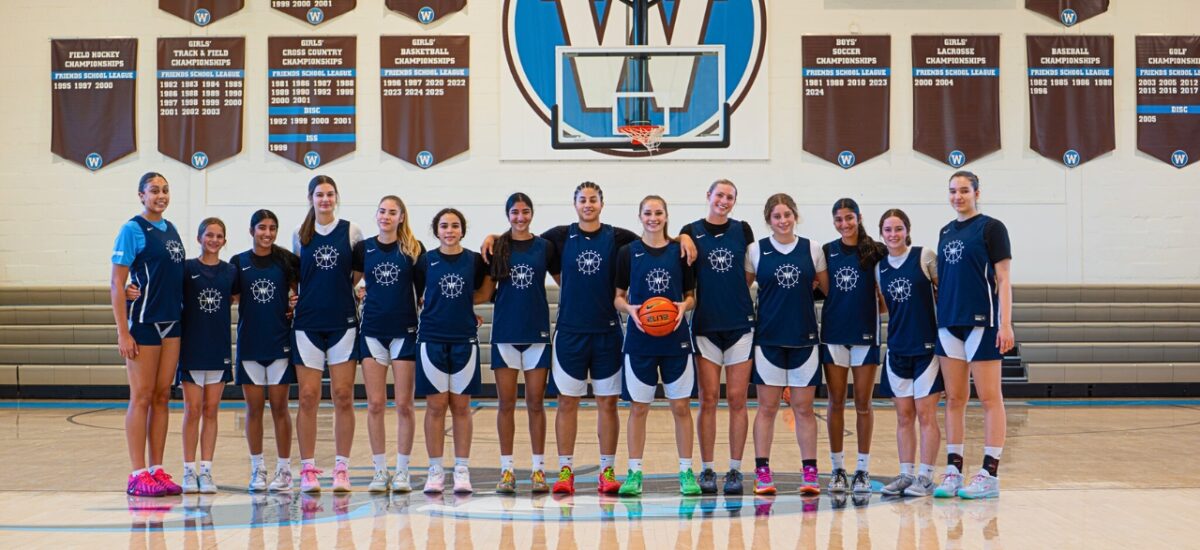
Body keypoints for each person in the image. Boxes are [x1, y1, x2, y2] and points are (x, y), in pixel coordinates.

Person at [480, 183, 695, 495]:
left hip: (607, 331)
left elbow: (656, 241)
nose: (589, 205)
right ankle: (565, 470)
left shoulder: (619, 238)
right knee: (567, 402)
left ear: (602, 204)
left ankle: (607, 470)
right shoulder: (557, 237)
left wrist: (682, 237)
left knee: (607, 403)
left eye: (594, 200)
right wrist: (493, 238)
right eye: (583, 200)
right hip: (570, 332)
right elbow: (521, 237)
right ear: (575, 204)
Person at [933, 171, 1013, 500]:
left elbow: (1004, 279)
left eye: (964, 190)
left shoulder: (992, 228)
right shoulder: (945, 231)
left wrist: (1005, 324)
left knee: (989, 398)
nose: (958, 196)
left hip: (982, 322)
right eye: (953, 191)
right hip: (948, 323)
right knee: (954, 399)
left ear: (977, 192)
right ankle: (954, 469)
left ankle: (989, 473)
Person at [613, 196, 699, 496]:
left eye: (658, 212)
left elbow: (692, 296)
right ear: (640, 216)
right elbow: (618, 296)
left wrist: (682, 306)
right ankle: (634, 473)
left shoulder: (680, 251)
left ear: (666, 215)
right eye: (648, 213)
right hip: (640, 339)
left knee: (681, 407)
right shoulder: (628, 252)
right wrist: (631, 309)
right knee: (638, 408)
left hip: (676, 339)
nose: (653, 218)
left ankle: (687, 471)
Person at [111, 172, 186, 497]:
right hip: (143, 324)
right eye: (154, 190)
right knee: (141, 397)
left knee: (162, 397)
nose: (161, 195)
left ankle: (156, 469)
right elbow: (117, 282)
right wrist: (123, 332)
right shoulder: (132, 230)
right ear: (141, 195)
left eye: (165, 190)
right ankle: (137, 473)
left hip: (172, 322)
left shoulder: (171, 229)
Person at [748, 193, 829, 495]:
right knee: (767, 408)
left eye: (787, 215)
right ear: (768, 219)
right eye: (776, 216)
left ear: (795, 215)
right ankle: (762, 471)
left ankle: (809, 471)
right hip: (768, 339)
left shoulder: (813, 249)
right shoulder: (755, 250)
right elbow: (741, 289)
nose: (783, 221)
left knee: (804, 409)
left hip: (804, 338)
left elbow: (826, 288)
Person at [682, 179, 756, 495]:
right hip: (705, 326)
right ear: (708, 196)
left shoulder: (744, 230)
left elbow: (750, 273)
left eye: (730, 197)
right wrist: (682, 237)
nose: (724, 200)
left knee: (738, 400)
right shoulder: (690, 229)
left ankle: (736, 470)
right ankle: (708, 469)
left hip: (740, 324)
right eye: (719, 195)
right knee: (708, 400)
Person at [291, 175, 364, 493]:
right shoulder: (299, 234)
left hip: (343, 322)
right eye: (319, 194)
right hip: (307, 323)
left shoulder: (352, 231)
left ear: (337, 198)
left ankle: (341, 468)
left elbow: (358, 273)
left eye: (330, 194)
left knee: (343, 396)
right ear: (310, 198)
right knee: (308, 397)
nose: (325, 199)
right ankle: (307, 469)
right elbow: (297, 278)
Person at [478, 193, 555, 494]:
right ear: (507, 214)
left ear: (532, 214)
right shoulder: (497, 246)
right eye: (514, 212)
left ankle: (538, 470)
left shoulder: (545, 247)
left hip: (536, 333)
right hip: (505, 334)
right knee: (505, 404)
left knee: (536, 404)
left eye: (525, 211)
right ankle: (507, 470)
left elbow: (567, 281)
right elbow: (485, 293)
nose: (520, 217)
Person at [415, 208, 491, 494]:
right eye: (444, 226)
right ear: (436, 231)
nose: (449, 230)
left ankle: (461, 469)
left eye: (455, 226)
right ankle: (435, 470)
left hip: (464, 340)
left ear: (462, 230)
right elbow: (419, 295)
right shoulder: (425, 261)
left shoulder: (473, 261)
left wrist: (467, 309)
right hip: (432, 339)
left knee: (461, 407)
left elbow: (484, 293)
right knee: (435, 407)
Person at [352, 196, 425, 493]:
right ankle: (380, 471)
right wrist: (357, 294)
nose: (385, 216)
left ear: (401, 217)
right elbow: (351, 282)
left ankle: (403, 471)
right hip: (372, 332)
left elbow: (424, 292)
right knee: (375, 404)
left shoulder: (412, 250)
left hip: (404, 332)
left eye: (392, 212)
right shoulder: (363, 248)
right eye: (382, 211)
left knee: (404, 405)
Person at [875, 209, 943, 498]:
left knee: (926, 415)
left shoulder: (924, 256)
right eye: (888, 230)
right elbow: (884, 305)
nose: (893, 234)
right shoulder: (880, 267)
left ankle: (926, 477)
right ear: (881, 233)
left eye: (898, 228)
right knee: (904, 416)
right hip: (897, 349)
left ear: (907, 230)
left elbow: (945, 291)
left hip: (926, 347)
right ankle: (906, 474)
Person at [821, 198, 885, 494]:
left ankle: (862, 469)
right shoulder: (827, 251)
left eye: (849, 218)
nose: (844, 224)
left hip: (865, 335)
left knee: (863, 404)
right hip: (834, 334)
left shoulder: (876, 252)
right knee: (835, 402)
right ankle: (837, 469)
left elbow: (885, 299)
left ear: (859, 217)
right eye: (838, 219)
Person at [231, 210, 298, 492]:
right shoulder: (239, 263)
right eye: (262, 228)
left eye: (272, 228)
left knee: (281, 408)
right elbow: (229, 296)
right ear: (251, 230)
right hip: (250, 344)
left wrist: (295, 301)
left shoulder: (285, 262)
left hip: (279, 343)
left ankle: (284, 470)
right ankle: (257, 468)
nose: (267, 233)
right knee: (254, 409)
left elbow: (300, 292)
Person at [176, 218, 237, 493]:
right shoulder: (187, 268)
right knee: (192, 410)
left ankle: (206, 471)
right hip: (192, 347)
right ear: (199, 238)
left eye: (219, 236)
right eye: (209, 235)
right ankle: (188, 470)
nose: (214, 240)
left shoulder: (231, 272)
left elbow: (239, 298)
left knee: (212, 410)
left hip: (218, 348)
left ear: (225, 241)